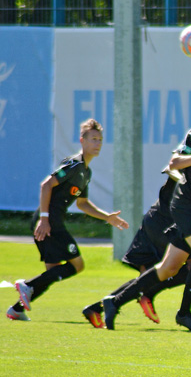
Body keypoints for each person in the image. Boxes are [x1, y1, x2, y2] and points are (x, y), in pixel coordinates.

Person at [101, 91, 191, 331]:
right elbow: (174, 163)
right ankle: (184, 314)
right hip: (183, 207)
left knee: (168, 269)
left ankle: (114, 301)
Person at [6, 119, 129, 322]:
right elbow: (46, 185)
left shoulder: (86, 172)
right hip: (49, 221)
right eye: (93, 139)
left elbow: (82, 204)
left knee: (53, 272)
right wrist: (44, 219)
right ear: (82, 140)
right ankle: (26, 286)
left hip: (51, 220)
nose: (97, 144)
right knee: (77, 264)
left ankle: (17, 309)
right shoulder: (74, 165)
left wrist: (107, 217)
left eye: (100, 140)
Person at [82, 166, 191, 328]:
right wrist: (183, 178)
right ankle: (170, 307)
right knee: (180, 267)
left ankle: (99, 307)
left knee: (170, 270)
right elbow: (172, 167)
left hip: (178, 221)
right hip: (163, 220)